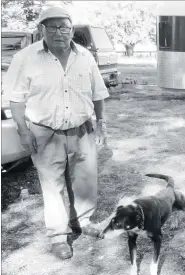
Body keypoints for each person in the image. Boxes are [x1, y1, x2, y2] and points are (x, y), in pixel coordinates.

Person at [5, 7, 109, 260]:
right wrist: (23, 131)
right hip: (44, 132)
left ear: (72, 29)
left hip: (81, 129)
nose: (59, 32)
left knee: (84, 179)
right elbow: (16, 100)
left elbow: (97, 93)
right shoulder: (25, 58)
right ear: (42, 29)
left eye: (64, 26)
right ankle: (58, 236)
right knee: (52, 186)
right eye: (52, 27)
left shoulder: (84, 56)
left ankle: (83, 222)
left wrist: (102, 123)